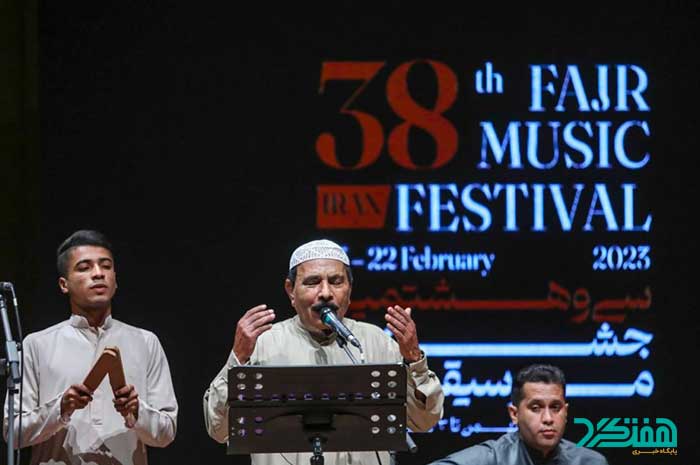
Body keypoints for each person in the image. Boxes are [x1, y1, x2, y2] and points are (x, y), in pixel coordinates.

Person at [203, 239, 444, 465]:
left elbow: (424, 420)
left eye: (336, 281)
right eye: (312, 282)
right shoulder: (263, 344)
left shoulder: (375, 342)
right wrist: (238, 357)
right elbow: (218, 428)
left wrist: (413, 358)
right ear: (290, 291)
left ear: (349, 289)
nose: (326, 292)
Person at [3, 230, 178, 465]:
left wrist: (137, 411)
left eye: (106, 266)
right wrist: (61, 408)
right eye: (84, 267)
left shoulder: (146, 342)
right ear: (64, 284)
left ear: (115, 280)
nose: (98, 273)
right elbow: (12, 432)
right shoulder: (37, 344)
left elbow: (167, 433)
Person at [428, 364, 608, 465]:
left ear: (566, 411)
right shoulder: (493, 458)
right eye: (536, 408)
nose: (548, 419)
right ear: (514, 414)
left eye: (555, 407)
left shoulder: (589, 462)